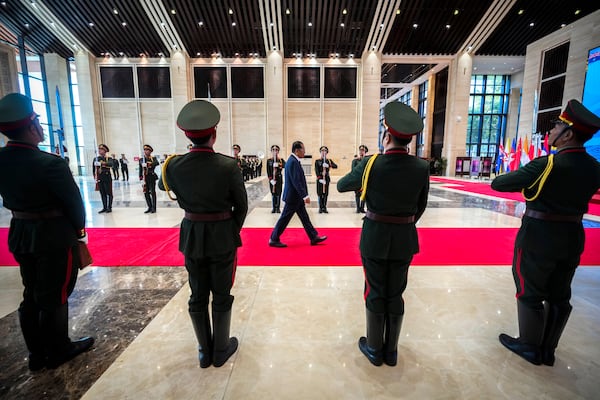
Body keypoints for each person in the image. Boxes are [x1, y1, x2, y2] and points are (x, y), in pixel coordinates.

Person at [491, 99, 600, 366]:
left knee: (530, 289)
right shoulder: (594, 167)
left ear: (568, 134)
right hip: (573, 235)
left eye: (556, 127)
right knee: (560, 293)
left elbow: (499, 183)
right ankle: (548, 349)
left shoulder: (547, 165)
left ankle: (529, 346)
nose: (550, 132)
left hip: (539, 236)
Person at [0, 93, 94, 371]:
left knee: (31, 293)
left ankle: (36, 354)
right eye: (38, 122)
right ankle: (58, 349)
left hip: (20, 232)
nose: (40, 127)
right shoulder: (50, 163)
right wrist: (78, 231)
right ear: (31, 127)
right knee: (56, 294)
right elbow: (74, 204)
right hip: (53, 236)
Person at [337, 102, 429, 366]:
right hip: (405, 238)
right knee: (396, 292)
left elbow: (343, 186)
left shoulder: (370, 164)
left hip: (375, 236)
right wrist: (403, 223)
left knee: (375, 290)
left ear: (386, 136)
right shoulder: (421, 168)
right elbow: (420, 206)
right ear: (408, 140)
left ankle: (375, 349)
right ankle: (391, 351)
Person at [158, 100, 248, 368]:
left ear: (187, 135)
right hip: (221, 235)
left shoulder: (173, 166)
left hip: (192, 236)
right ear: (214, 133)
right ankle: (221, 349)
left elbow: (164, 187)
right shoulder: (228, 166)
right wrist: (230, 231)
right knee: (221, 292)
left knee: (197, 292)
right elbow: (241, 206)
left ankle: (203, 350)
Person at [269, 141, 327, 247]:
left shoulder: (294, 161)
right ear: (297, 150)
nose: (304, 151)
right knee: (284, 218)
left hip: (296, 197)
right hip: (293, 197)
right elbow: (297, 181)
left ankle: (313, 237)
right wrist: (305, 195)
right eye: (303, 149)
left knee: (305, 217)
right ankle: (273, 238)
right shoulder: (293, 162)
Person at [314, 146, 338, 213]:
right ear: (320, 152)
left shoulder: (328, 161)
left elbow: (336, 166)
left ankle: (324, 207)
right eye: (322, 151)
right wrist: (319, 178)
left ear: (327, 152)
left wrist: (329, 165)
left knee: (325, 193)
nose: (323, 152)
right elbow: (316, 170)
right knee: (320, 193)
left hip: (326, 178)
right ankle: (320, 207)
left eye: (325, 151)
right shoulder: (317, 161)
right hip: (320, 179)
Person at [139, 144, 159, 213]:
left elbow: (156, 163)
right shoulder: (141, 159)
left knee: (153, 192)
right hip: (145, 178)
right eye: (144, 150)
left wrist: (148, 164)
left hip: (151, 177)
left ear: (150, 151)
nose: (145, 151)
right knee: (146, 193)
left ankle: (154, 208)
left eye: (147, 150)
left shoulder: (153, 158)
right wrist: (141, 179)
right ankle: (149, 207)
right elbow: (140, 169)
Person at [93, 143, 114, 213]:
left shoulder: (109, 158)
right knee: (102, 193)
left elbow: (111, 164)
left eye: (101, 149)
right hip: (100, 178)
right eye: (99, 149)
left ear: (105, 151)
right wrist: (95, 177)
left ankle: (109, 207)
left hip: (107, 177)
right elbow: (94, 169)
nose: (100, 151)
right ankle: (104, 207)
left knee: (109, 193)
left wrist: (102, 163)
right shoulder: (96, 159)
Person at [266, 145, 286, 213]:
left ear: (278, 151)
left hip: (279, 179)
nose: (275, 151)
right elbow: (268, 171)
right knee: (273, 193)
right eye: (273, 150)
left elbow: (285, 165)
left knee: (278, 193)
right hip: (272, 180)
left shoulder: (281, 160)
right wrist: (270, 179)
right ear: (271, 151)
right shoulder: (269, 161)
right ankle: (274, 207)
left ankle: (278, 207)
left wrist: (279, 165)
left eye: (276, 150)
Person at [352, 145, 368, 213]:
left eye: (363, 150)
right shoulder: (355, 161)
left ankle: (362, 208)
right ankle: (358, 208)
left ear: (365, 152)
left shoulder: (367, 160)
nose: (361, 152)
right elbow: (353, 170)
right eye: (360, 150)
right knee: (357, 194)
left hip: (365, 180)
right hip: (358, 179)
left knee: (364, 194)